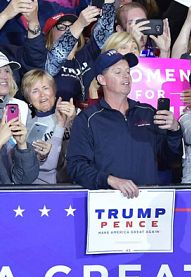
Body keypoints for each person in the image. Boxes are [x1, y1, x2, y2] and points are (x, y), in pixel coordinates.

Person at [66, 50, 182, 197]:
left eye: (128, 71)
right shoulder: (87, 120)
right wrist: (109, 180)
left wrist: (174, 131)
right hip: (107, 204)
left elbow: (171, 161)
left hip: (149, 204)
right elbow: (76, 167)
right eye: (118, 72)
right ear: (102, 79)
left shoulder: (148, 113)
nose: (126, 76)